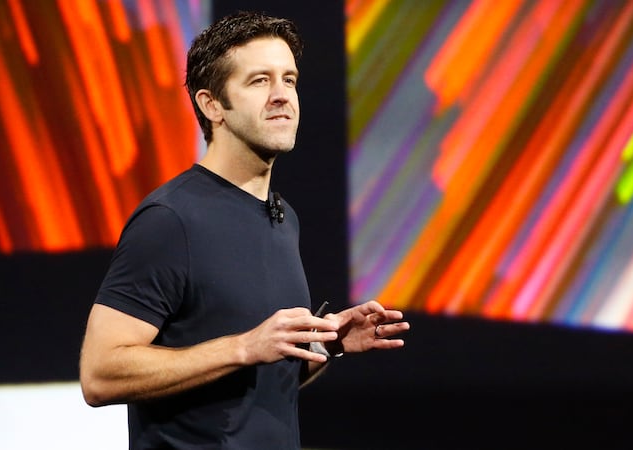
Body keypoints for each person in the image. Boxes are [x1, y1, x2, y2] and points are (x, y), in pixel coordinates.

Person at [79, 11, 410, 449]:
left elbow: (259, 381)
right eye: (259, 81)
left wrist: (327, 344)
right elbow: (99, 374)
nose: (282, 96)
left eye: (289, 80)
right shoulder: (170, 220)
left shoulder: (282, 217)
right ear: (211, 104)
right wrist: (244, 347)